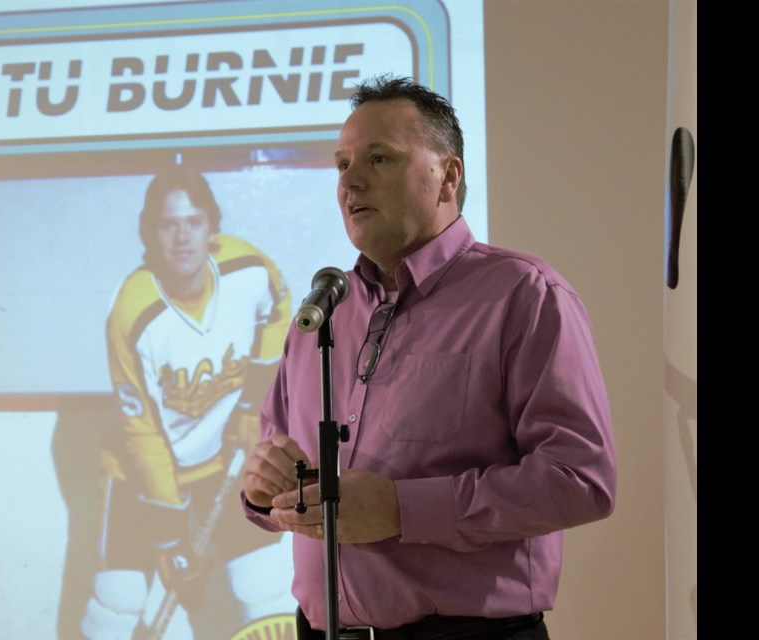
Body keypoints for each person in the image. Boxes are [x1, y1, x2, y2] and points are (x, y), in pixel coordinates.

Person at [240, 75, 617, 639]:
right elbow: (274, 460)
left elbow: (580, 479)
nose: (352, 182)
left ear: (448, 176)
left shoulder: (523, 296)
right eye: (342, 165)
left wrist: (401, 509)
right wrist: (260, 487)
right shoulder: (322, 311)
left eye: (379, 159)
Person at [82, 165, 296, 639]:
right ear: (150, 233)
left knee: (266, 585)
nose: (182, 237)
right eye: (168, 224)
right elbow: (141, 433)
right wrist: (170, 534)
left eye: (193, 222)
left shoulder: (248, 269)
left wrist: (249, 407)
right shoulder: (133, 313)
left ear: (212, 229)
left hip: (225, 460)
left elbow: (279, 315)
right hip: (141, 476)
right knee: (119, 604)